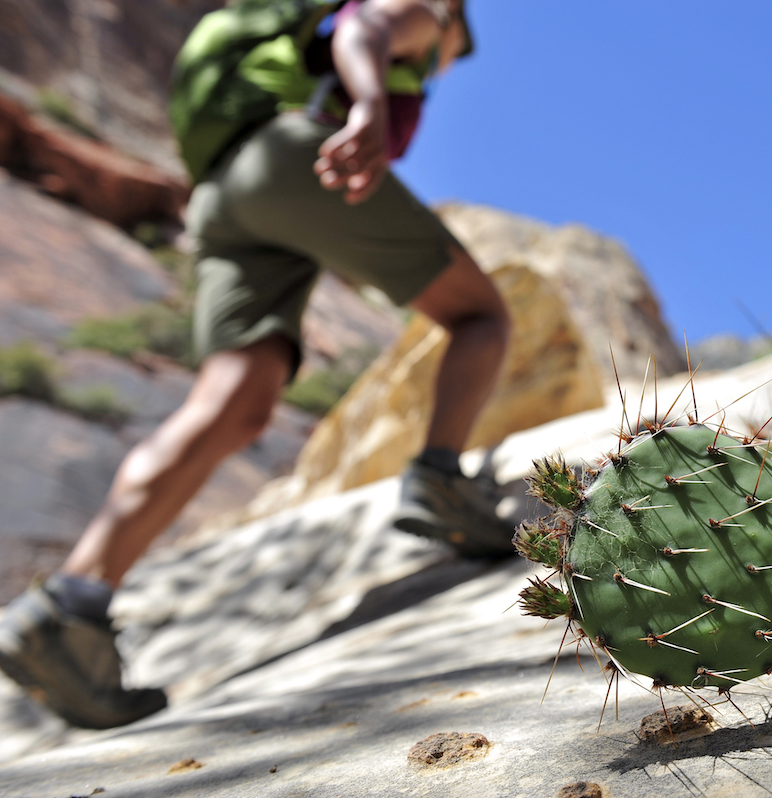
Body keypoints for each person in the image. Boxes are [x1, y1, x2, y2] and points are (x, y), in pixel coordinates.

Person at [0, 0, 513, 729]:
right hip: (289, 153)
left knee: (232, 405)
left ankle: (69, 609)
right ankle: (439, 481)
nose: (438, 69)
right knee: (481, 315)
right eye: (448, 58)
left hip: (219, 194)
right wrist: (370, 102)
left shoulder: (263, 37)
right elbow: (366, 28)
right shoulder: (433, 12)